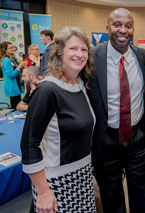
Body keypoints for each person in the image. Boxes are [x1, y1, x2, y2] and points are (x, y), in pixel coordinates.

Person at [20, 26, 96, 213]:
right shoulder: (47, 90)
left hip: (83, 177)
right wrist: (43, 191)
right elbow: (29, 144)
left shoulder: (79, 85)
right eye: (73, 48)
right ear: (59, 52)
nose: (80, 54)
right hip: (56, 183)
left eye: (84, 49)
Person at [87, 8, 145, 213]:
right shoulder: (92, 57)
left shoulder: (141, 55)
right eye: (117, 25)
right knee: (111, 195)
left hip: (137, 138)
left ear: (133, 29)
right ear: (107, 28)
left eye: (128, 26)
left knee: (141, 193)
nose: (123, 30)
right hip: (107, 140)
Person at [0, 41, 28, 109]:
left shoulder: (13, 59)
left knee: (16, 104)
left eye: (13, 47)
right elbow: (11, 75)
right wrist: (20, 66)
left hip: (16, 85)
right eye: (10, 48)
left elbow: (17, 71)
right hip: (11, 86)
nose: (13, 49)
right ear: (5, 50)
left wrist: (22, 66)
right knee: (15, 106)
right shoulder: (6, 60)